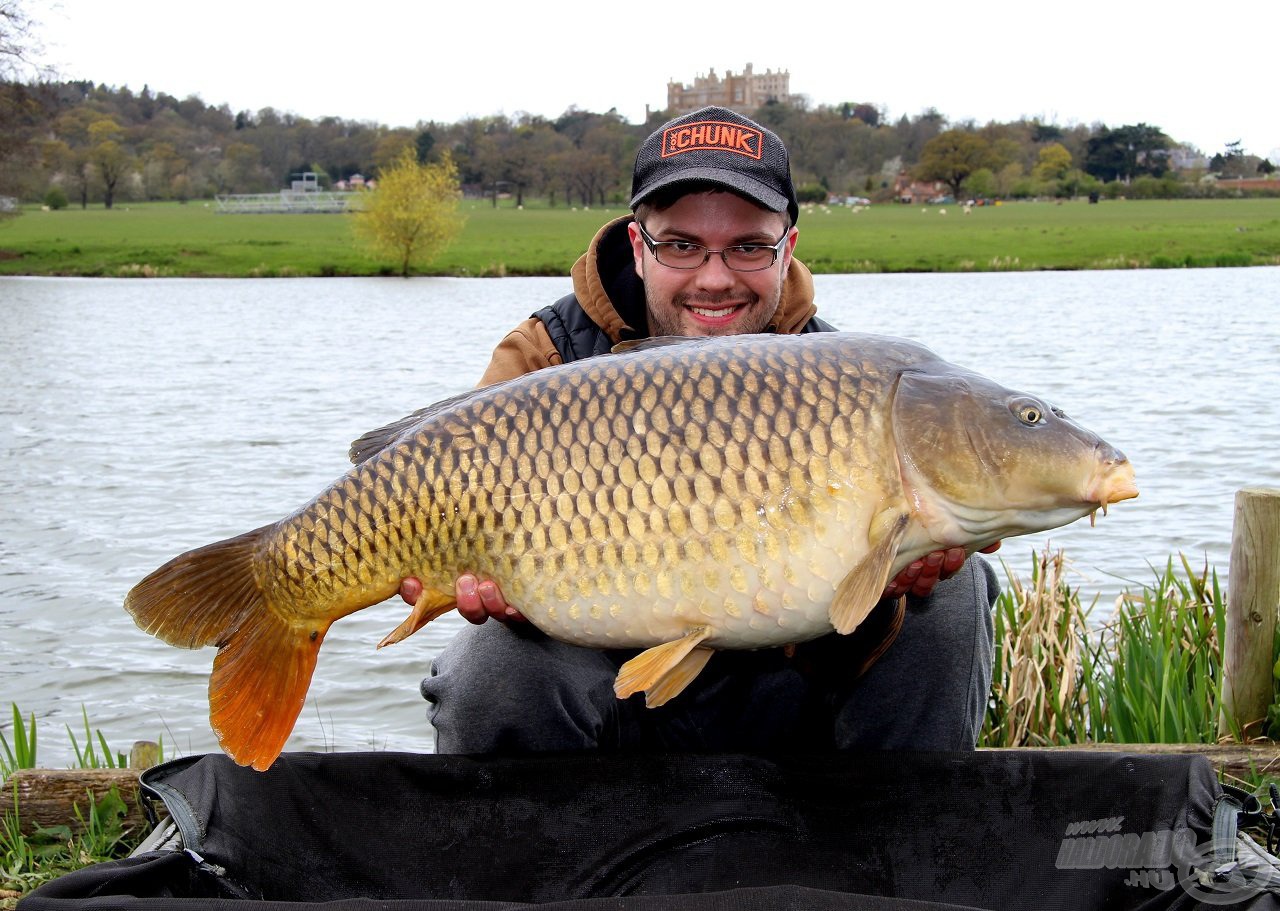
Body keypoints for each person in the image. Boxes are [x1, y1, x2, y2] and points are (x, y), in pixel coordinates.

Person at [403, 106, 999, 754]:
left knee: (954, 594)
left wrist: (892, 589)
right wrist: (471, 580)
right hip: (599, 693)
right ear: (638, 246)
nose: (714, 279)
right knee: (496, 661)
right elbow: (446, 506)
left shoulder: (848, 383)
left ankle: (889, 844)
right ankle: (550, 851)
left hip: (788, 696)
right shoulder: (546, 357)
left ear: (787, 249)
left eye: (748, 247)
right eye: (681, 245)